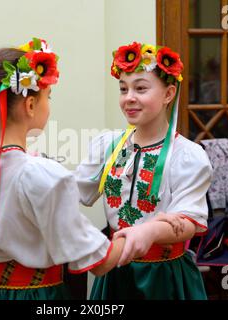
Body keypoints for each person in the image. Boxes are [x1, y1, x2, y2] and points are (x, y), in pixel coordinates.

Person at [0, 38, 125, 300]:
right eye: (48, 97)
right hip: (38, 295)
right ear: (30, 105)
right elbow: (99, 261)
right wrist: (138, 235)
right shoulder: (41, 176)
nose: (49, 105)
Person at [75, 42, 213, 299]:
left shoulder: (187, 155)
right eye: (123, 89)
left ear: (169, 94)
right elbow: (75, 192)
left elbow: (189, 223)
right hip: (117, 271)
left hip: (165, 276)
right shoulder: (108, 145)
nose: (129, 98)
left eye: (140, 88)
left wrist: (149, 231)